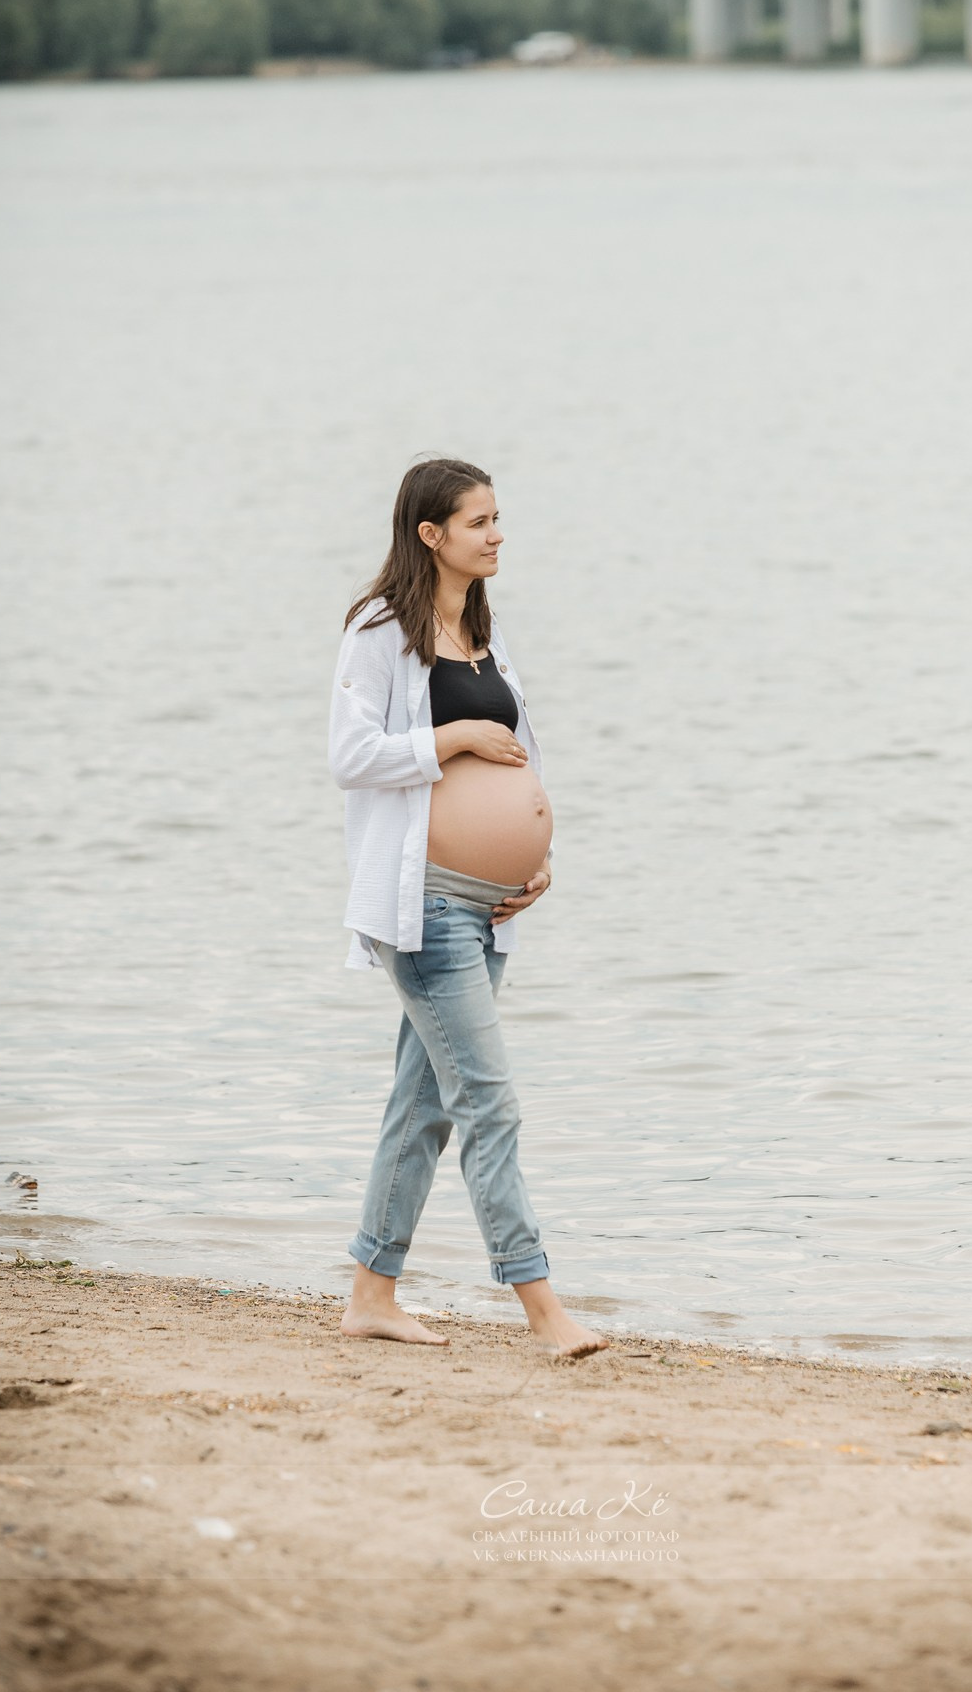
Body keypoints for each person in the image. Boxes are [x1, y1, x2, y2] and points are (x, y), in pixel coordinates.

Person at [329, 457, 608, 1360]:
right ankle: (543, 1311)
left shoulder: (480, 629)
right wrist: (446, 735)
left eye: (498, 518)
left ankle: (371, 1293)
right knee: (489, 1103)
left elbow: (518, 760)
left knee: (424, 1108)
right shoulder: (380, 630)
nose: (496, 534)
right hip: (423, 910)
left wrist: (537, 856)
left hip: (488, 909)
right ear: (430, 535)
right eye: (478, 521)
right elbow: (352, 753)